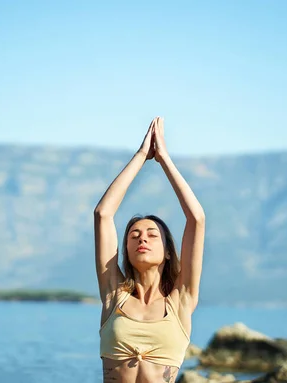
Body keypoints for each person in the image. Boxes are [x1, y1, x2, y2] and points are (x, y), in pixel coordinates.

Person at [94, 116, 206, 382]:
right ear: (127, 251)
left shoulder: (181, 300)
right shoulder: (114, 295)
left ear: (168, 251)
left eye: (152, 234)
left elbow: (197, 219)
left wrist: (164, 158)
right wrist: (142, 155)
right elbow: (103, 214)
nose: (141, 239)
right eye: (134, 235)